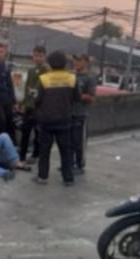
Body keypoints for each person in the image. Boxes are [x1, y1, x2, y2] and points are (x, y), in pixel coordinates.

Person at [33, 51, 80, 186]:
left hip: (46, 121)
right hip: (65, 120)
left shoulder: (44, 78)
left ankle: (42, 177)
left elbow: (37, 100)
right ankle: (68, 178)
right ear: (65, 63)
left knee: (44, 150)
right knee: (66, 150)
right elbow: (77, 98)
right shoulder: (71, 78)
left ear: (49, 63)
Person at [19, 45, 49, 164]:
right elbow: (27, 88)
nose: (37, 58)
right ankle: (22, 155)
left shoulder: (46, 69)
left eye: (40, 56)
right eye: (35, 55)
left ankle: (35, 154)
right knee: (26, 131)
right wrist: (23, 102)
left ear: (44, 57)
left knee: (38, 133)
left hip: (40, 106)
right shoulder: (31, 70)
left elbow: (39, 88)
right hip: (29, 106)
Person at [71, 54, 97, 174]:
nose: (75, 63)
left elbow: (92, 97)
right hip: (69, 112)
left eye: (79, 61)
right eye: (74, 60)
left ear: (85, 62)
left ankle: (79, 164)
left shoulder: (90, 78)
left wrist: (79, 96)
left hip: (81, 113)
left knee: (79, 140)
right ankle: (69, 162)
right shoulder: (72, 75)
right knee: (69, 139)